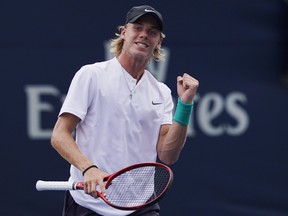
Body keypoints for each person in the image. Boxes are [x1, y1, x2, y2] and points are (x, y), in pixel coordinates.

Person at [51, 5, 199, 216]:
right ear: (123, 32)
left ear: (159, 41)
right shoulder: (91, 75)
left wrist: (185, 105)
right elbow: (59, 135)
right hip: (89, 204)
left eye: (152, 32)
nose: (144, 35)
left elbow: (168, 155)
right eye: (137, 27)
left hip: (141, 206)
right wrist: (88, 168)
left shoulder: (162, 92)